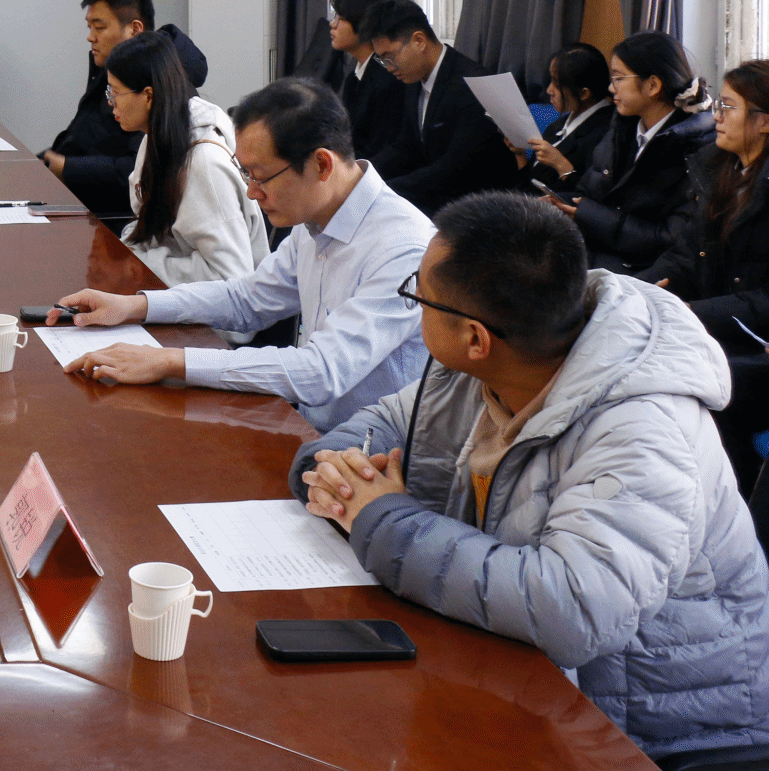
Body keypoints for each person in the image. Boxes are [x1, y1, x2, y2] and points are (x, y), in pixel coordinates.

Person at [293, 192, 769, 763]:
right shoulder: (489, 360)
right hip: (516, 678)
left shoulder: (644, 431)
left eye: (418, 296)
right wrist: (334, 469)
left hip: (655, 731)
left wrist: (385, 521)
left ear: (475, 338)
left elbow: (575, 611)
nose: (414, 308)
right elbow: (387, 421)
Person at [49, 77, 433, 432]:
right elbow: (247, 298)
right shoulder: (317, 218)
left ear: (321, 164)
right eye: (246, 174)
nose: (251, 192)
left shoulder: (403, 248)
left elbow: (320, 371)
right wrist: (134, 306)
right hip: (310, 428)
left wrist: (169, 361)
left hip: (370, 453)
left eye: (260, 176)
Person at [641, 60, 769, 488]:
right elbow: (686, 253)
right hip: (720, 325)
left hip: (756, 341)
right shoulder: (721, 170)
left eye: (728, 107)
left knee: (700, 385)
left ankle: (729, 505)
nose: (716, 116)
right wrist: (640, 291)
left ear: (765, 122)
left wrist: (691, 313)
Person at [102, 31, 267, 286]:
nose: (111, 102)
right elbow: (147, 224)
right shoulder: (155, 139)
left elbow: (229, 277)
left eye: (115, 92)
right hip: (173, 296)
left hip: (221, 309)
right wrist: (126, 254)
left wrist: (141, 262)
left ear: (148, 96)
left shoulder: (204, 164)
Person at [41, 0, 209, 217]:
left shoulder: (153, 86)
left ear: (135, 30)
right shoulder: (111, 71)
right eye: (89, 27)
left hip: (111, 215)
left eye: (99, 28)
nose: (91, 37)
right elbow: (81, 135)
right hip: (82, 201)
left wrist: (68, 168)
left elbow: (137, 169)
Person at [553, 31, 714, 273]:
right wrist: (559, 203)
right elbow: (589, 194)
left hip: (642, 272)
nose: (610, 87)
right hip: (600, 255)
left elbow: (670, 239)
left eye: (619, 78)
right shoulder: (622, 127)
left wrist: (589, 215)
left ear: (652, 85)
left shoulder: (697, 147)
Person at [360, 0, 521, 215]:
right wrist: (360, 173)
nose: (389, 68)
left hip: (477, 206)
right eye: (382, 61)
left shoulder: (473, 85)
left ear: (419, 41)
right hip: (437, 195)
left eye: (390, 58)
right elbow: (406, 146)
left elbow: (455, 169)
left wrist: (383, 191)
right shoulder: (413, 77)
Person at [514, 42, 614, 193]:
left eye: (557, 84)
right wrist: (520, 154)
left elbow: (592, 197)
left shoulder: (607, 133)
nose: (549, 90)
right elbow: (530, 184)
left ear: (583, 93)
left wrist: (560, 164)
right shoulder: (559, 124)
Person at [325, 0, 406, 162]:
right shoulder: (355, 76)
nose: (332, 24)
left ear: (364, 25)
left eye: (340, 18)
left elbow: (380, 151)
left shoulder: (388, 80)